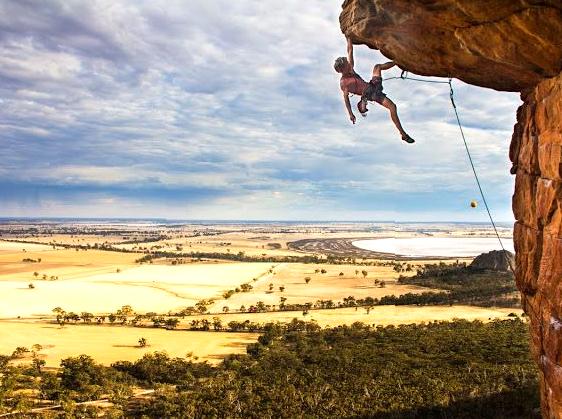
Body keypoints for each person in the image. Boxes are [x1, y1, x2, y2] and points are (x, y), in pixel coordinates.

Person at [334, 37, 415, 143]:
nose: (349, 64)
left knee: (377, 67)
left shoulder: (350, 69)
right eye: (346, 63)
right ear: (341, 69)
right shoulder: (344, 83)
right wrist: (350, 114)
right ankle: (403, 134)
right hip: (371, 94)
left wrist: (348, 36)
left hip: (373, 85)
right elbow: (346, 99)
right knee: (392, 107)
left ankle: (398, 62)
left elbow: (350, 50)